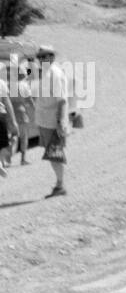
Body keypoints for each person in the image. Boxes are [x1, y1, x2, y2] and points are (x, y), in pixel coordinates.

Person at [32, 45, 69, 198]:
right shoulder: (45, 73)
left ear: (51, 57)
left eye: (44, 56)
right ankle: (59, 184)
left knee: (54, 154)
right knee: (53, 153)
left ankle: (60, 185)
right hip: (45, 120)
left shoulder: (54, 73)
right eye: (39, 57)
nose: (41, 59)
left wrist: (60, 122)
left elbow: (61, 100)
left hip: (52, 121)